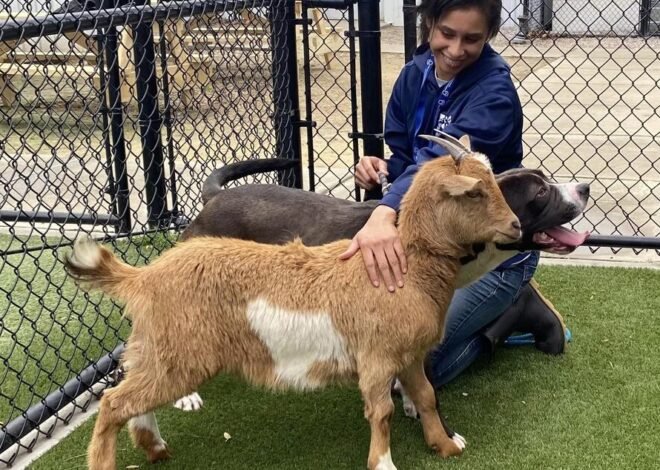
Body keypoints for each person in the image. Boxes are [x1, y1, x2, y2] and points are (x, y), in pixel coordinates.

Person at [339, 0, 566, 388]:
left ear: (489, 37)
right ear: (429, 24)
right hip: (436, 246)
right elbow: (407, 156)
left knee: (411, 374)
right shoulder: (414, 74)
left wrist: (384, 212)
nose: (456, 50)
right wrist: (381, 168)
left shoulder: (494, 94)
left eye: (472, 39)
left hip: (492, 256)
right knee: (379, 351)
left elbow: (439, 162)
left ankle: (516, 308)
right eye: (447, 33)